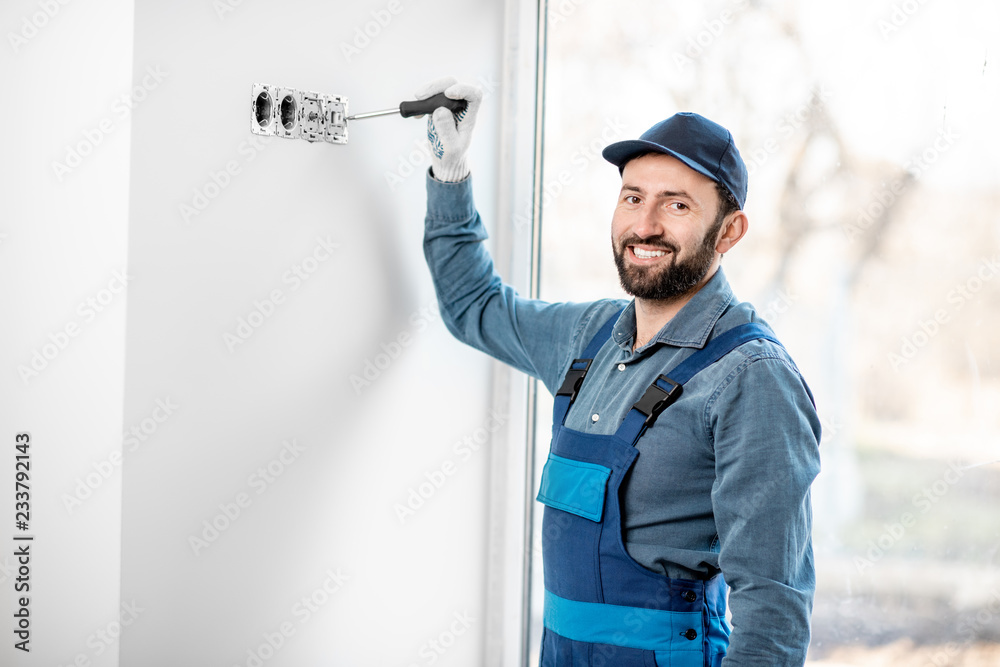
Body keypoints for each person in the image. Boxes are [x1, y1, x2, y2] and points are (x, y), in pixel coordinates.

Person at [416, 77, 822, 667]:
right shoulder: (590, 337)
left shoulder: (751, 378)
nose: (646, 225)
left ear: (729, 230)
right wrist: (449, 175)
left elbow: (773, 616)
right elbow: (473, 307)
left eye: (677, 204)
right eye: (633, 197)